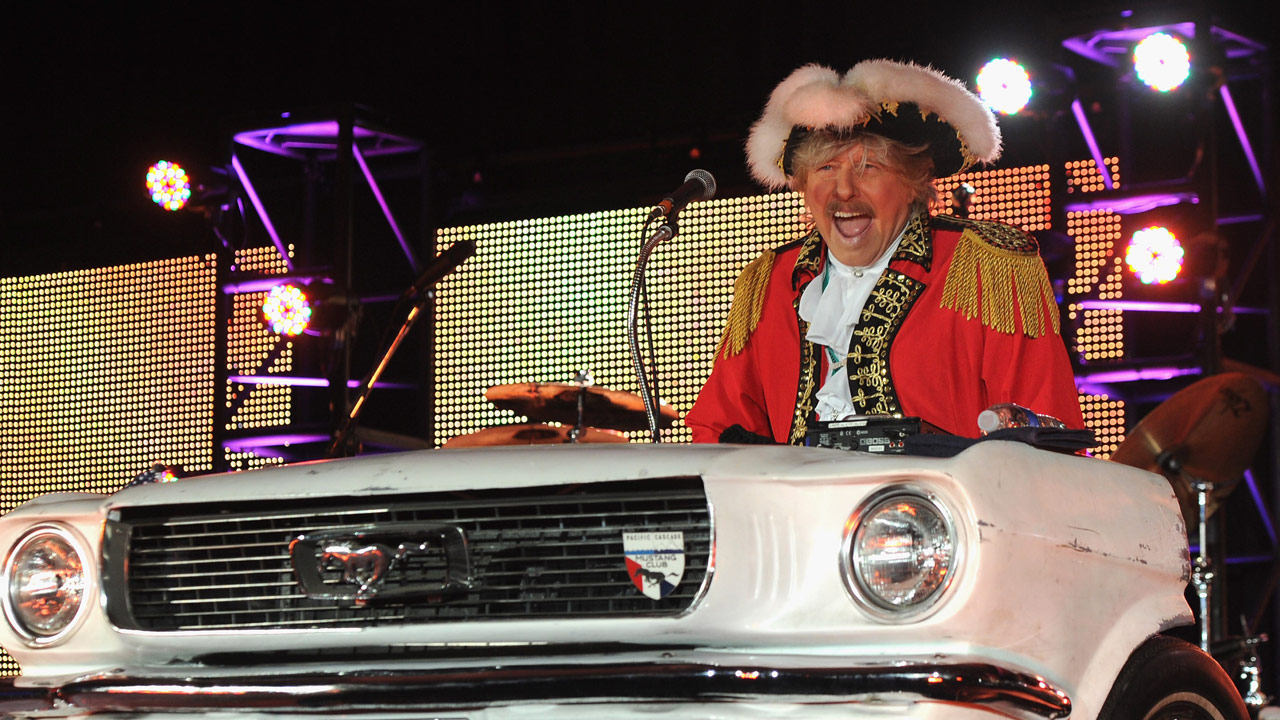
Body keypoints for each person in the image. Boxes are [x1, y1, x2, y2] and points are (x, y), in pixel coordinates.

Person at [685, 60, 1085, 444]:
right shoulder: (772, 281)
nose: (844, 190)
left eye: (867, 167)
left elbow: (1046, 433)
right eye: (825, 169)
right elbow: (718, 428)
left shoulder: (985, 267)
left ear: (916, 179)